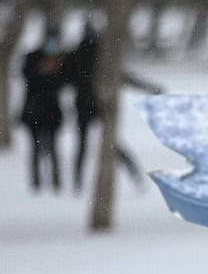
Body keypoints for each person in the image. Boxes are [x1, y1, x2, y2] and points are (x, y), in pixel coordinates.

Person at [63, 21, 164, 192]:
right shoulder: (100, 56)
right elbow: (123, 76)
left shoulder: (76, 56)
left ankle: (77, 183)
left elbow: (63, 79)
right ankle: (133, 175)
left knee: (84, 145)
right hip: (100, 104)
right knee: (112, 143)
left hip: (83, 105)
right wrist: (148, 87)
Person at [20, 28, 67, 193]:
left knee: (53, 148)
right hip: (34, 111)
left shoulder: (60, 61)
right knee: (34, 148)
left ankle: (56, 182)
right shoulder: (32, 58)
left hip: (52, 113)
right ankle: (36, 183)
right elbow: (28, 79)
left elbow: (63, 83)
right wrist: (41, 71)